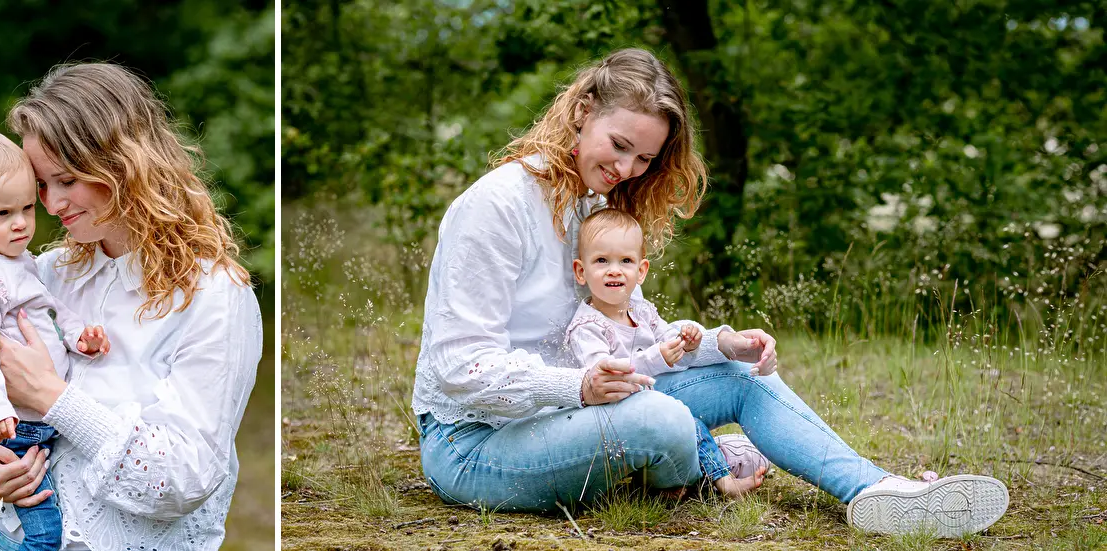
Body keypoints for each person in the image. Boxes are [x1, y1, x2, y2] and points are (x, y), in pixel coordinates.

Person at [411, 48, 1009, 538]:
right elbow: (462, 366)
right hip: (475, 443)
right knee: (656, 417)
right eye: (620, 145)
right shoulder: (497, 206)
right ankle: (699, 465)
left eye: (645, 157)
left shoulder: (592, 206)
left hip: (576, 411)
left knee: (744, 379)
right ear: (582, 111)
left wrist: (722, 343)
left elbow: (631, 334)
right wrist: (580, 385)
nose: (630, 169)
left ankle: (878, 493)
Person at [0, 63, 262, 551]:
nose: (51, 204)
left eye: (66, 179)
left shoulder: (214, 294)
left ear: (124, 164)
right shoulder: (41, 274)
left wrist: (52, 397)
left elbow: (186, 478)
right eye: (41, 185)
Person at [0, 126, 111, 550]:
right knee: (41, 528)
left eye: (26, 209)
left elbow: (50, 309)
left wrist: (78, 337)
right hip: (4, 422)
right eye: (2, 214)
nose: (20, 225)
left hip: (29, 417)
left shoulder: (18, 260)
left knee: (3, 493)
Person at [564, 207, 769, 498]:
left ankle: (674, 478)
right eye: (601, 260)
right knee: (685, 420)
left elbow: (666, 342)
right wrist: (657, 356)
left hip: (648, 400)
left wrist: (687, 342)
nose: (614, 269)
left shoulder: (641, 310)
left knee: (685, 419)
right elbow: (606, 376)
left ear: (641, 270)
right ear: (581, 272)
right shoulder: (587, 326)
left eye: (625, 260)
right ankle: (720, 482)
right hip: (611, 414)